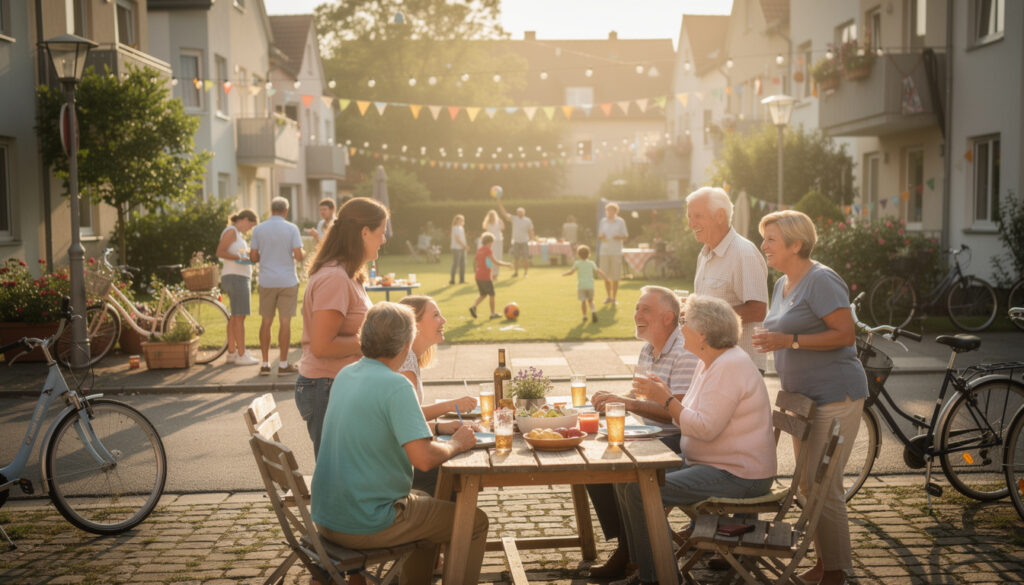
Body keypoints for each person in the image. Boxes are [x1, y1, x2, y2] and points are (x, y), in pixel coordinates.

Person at [311, 302, 489, 585]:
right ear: (407, 345)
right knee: (475, 523)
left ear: (363, 337)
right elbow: (424, 459)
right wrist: (457, 443)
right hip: (366, 522)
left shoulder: (346, 374)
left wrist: (441, 429)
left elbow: (386, 432)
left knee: (427, 503)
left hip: (327, 518)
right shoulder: (396, 385)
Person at [611, 294, 776, 585]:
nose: (681, 327)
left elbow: (704, 428)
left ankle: (659, 578)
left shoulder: (730, 366)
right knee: (630, 480)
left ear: (703, 333)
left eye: (685, 322)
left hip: (738, 475)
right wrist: (667, 397)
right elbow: (689, 416)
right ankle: (649, 570)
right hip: (712, 464)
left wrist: (666, 402)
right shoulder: (710, 361)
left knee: (640, 492)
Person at [754, 210, 866, 585]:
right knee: (807, 485)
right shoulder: (782, 283)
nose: (764, 246)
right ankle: (824, 563)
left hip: (835, 395)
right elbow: (779, 330)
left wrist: (789, 341)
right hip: (802, 398)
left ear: (795, 243)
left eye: (770, 239)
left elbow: (845, 335)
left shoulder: (821, 280)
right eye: (764, 238)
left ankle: (835, 572)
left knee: (824, 485)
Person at [587, 286, 700, 579]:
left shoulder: (685, 352)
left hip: (676, 439)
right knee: (594, 458)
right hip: (649, 434)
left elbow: (677, 411)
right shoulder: (648, 349)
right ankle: (627, 548)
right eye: (637, 308)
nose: (637, 315)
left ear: (668, 317)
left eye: (645, 309)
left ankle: (634, 557)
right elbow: (636, 394)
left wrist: (625, 403)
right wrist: (611, 400)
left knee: (613, 462)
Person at [295, 197, 386, 458]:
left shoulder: (348, 274)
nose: (384, 239)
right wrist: (375, 342)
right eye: (381, 233)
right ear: (364, 232)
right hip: (326, 388)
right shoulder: (334, 278)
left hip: (336, 386)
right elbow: (322, 346)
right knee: (337, 472)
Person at [398, 295, 478, 493]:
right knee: (455, 469)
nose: (443, 320)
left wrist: (442, 426)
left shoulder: (409, 358)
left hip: (404, 460)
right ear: (414, 325)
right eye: (435, 315)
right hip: (403, 469)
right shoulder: (405, 363)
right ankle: (455, 520)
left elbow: (407, 416)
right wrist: (450, 411)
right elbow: (407, 422)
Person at [685, 187, 768, 371]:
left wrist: (705, 318)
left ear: (720, 216)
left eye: (697, 216)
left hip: (740, 367)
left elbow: (758, 310)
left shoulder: (743, 253)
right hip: (712, 363)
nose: (691, 223)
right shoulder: (705, 253)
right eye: (689, 216)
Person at [250, 197, 306, 376]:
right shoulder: (292, 229)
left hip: (267, 280)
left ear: (271, 209)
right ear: (286, 211)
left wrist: (265, 255)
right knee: (285, 322)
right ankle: (282, 364)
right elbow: (298, 256)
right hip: (287, 281)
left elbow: (252, 257)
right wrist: (303, 252)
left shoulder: (259, 229)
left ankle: (265, 364)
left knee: (266, 322)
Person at [215, 208, 260, 366]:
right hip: (236, 277)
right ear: (245, 219)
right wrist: (240, 257)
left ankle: (232, 353)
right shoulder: (231, 231)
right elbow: (220, 252)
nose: (249, 229)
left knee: (235, 316)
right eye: (250, 225)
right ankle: (242, 354)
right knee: (240, 316)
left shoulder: (235, 233)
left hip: (235, 276)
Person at [469, 233, 512, 319]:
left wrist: (476, 271)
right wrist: (507, 264)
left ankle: (473, 307)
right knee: (492, 294)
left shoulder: (479, 250)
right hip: (485, 277)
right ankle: (492, 314)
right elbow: (495, 262)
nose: (492, 244)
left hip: (478, 276)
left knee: (483, 294)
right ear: (488, 242)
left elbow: (475, 261)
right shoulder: (488, 250)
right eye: (492, 243)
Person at [562, 245, 606, 324]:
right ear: (589, 254)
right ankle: (593, 311)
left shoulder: (577, 263)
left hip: (581, 286)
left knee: (583, 302)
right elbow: (598, 271)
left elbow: (571, 272)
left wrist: (564, 274)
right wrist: (605, 277)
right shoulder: (591, 263)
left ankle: (584, 316)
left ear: (578, 254)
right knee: (591, 301)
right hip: (590, 285)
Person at [597, 202, 629, 306]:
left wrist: (618, 237)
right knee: (605, 276)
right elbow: (599, 235)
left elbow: (625, 236)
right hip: (604, 251)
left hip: (616, 252)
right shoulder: (603, 221)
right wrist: (601, 236)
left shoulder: (620, 222)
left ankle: (614, 298)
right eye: (607, 210)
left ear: (615, 211)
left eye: (611, 210)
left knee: (615, 276)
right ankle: (608, 297)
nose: (609, 212)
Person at [496, 197, 534, 277]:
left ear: (524, 213)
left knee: (525, 258)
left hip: (524, 241)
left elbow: (531, 231)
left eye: (521, 212)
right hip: (516, 241)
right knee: (516, 258)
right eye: (518, 212)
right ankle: (516, 272)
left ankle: (525, 273)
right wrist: (499, 203)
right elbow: (504, 214)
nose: (519, 213)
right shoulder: (514, 218)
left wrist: (532, 239)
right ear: (517, 213)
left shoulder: (528, 220)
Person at [482, 210, 505, 278]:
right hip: (490, 242)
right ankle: (489, 272)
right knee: (489, 257)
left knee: (498, 257)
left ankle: (495, 273)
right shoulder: (487, 223)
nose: (492, 217)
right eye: (490, 216)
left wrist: (501, 222)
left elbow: (503, 228)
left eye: (493, 215)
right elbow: (485, 227)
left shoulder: (498, 222)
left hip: (498, 241)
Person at [449, 214, 467, 285]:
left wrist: (464, 246)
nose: (462, 221)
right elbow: (457, 239)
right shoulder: (455, 228)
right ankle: (452, 280)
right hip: (456, 248)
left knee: (463, 264)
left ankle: (462, 280)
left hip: (462, 248)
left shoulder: (461, 228)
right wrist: (465, 246)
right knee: (456, 264)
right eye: (461, 220)